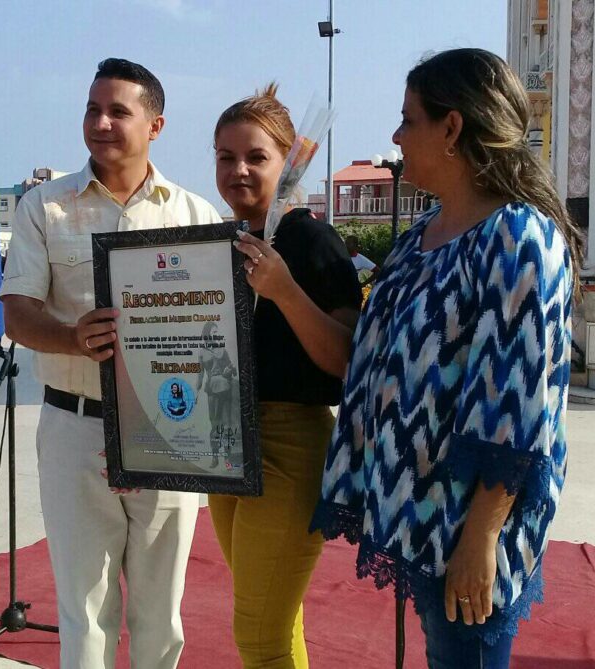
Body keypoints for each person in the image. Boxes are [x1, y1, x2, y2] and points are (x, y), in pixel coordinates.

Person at [312, 48, 583, 669]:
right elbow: (375, 356)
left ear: (452, 127)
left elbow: (516, 407)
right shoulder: (420, 240)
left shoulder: (517, 237)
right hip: (420, 519)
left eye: (409, 120)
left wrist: (481, 539)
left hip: (466, 533)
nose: (396, 136)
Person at [0, 58, 221, 669]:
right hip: (74, 426)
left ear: (156, 124)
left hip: (170, 429)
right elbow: (16, 314)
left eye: (118, 111)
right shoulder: (43, 207)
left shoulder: (195, 217)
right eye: (92, 109)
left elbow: (219, 336)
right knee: (84, 607)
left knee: (160, 613)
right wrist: (73, 338)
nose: (101, 122)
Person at [209, 84, 363, 668]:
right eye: (226, 157)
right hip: (227, 442)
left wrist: (283, 290)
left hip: (290, 441)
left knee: (258, 634)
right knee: (275, 613)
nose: (239, 170)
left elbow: (347, 357)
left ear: (287, 160)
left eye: (256, 157)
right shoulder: (227, 242)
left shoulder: (310, 239)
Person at [194, 321, 237, 467]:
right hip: (211, 390)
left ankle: (228, 458)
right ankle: (214, 457)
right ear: (207, 333)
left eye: (217, 332)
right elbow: (200, 374)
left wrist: (230, 369)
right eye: (214, 332)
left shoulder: (222, 349)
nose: (216, 334)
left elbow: (231, 367)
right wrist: (196, 392)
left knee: (227, 424)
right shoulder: (201, 351)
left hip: (226, 387)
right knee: (215, 424)